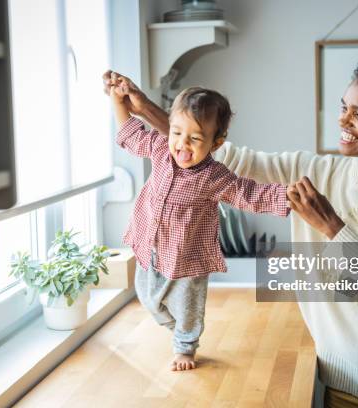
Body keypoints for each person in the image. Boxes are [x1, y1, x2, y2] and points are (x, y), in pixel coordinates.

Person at [103, 46, 358, 407]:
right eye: (343, 108)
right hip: (338, 384)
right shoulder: (321, 172)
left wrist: (333, 227)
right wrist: (144, 106)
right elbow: (213, 158)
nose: (342, 121)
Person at [110, 79, 291, 371]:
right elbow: (131, 133)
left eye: (195, 139)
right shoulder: (160, 148)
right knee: (147, 299)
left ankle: (185, 346)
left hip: (189, 256)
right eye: (178, 133)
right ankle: (178, 330)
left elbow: (248, 194)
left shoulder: (214, 176)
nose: (182, 144)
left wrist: (287, 196)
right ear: (169, 128)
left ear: (215, 143)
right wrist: (118, 101)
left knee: (188, 308)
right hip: (151, 244)